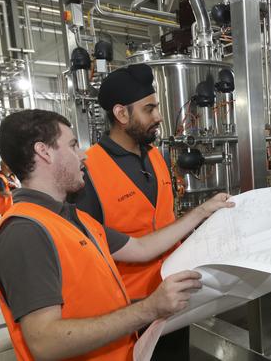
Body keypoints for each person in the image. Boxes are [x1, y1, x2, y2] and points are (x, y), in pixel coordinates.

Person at [0, 109, 233, 360]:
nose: (82, 156)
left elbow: (141, 248)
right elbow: (45, 342)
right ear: (44, 152)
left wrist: (203, 211)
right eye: (72, 145)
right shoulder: (25, 232)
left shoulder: (74, 219)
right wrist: (150, 308)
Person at [72, 64, 188, 359]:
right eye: (149, 109)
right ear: (122, 114)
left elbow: (166, 220)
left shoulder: (156, 157)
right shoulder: (89, 170)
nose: (159, 117)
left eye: (157, 107)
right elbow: (88, 252)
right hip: (129, 310)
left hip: (173, 296)